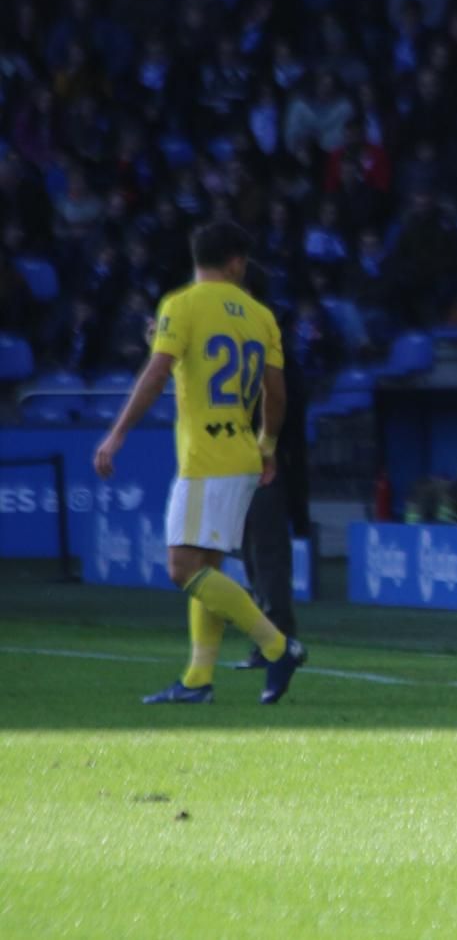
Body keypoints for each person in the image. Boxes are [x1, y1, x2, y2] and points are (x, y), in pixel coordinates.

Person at [92, 223, 307, 704]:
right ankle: (197, 679)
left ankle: (278, 647)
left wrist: (118, 432)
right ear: (235, 262)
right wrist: (267, 444)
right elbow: (275, 394)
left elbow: (156, 373)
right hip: (243, 454)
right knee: (208, 566)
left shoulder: (182, 304)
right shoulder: (260, 315)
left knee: (182, 567)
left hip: (205, 458)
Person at [234, 261, 308, 669]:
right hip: (239, 460)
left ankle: (278, 642)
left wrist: (270, 449)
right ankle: (268, 641)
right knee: (252, 554)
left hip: (267, 463)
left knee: (266, 555)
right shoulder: (249, 335)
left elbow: (284, 402)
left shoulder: (266, 336)